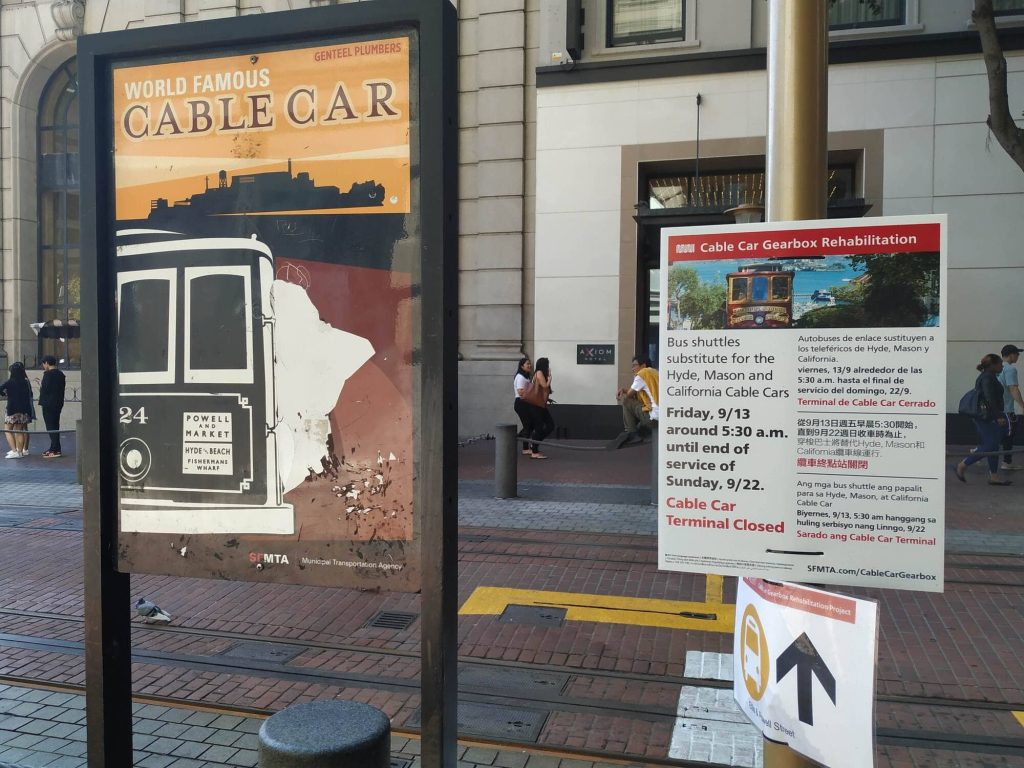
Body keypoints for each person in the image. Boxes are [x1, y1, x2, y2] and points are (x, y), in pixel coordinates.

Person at [955, 353, 1010, 485]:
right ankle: (963, 465)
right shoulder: (987, 378)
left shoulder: (988, 376)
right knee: (990, 445)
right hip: (988, 417)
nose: (1002, 366)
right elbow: (989, 397)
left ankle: (994, 476)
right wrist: (998, 416)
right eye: (1000, 364)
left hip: (990, 416)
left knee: (994, 445)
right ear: (992, 365)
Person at [613, 354, 660, 448]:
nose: (632, 369)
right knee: (638, 405)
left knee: (627, 401)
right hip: (664, 416)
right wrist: (624, 390)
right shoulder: (656, 372)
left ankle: (631, 433)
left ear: (643, 365)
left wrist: (623, 390)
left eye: (635, 365)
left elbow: (630, 394)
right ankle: (641, 429)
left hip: (653, 418)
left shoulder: (642, 374)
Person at [997, 344, 1023, 471]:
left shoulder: (997, 368)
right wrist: (1022, 406)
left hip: (996, 409)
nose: (1018, 356)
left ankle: (979, 451)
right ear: (1011, 354)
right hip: (1007, 410)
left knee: (998, 434)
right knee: (1009, 435)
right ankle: (1006, 462)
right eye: (1017, 353)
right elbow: (1013, 388)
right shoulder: (1010, 370)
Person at [0, 362, 34, 459]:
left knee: (7, 430)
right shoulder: (26, 382)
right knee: (19, 430)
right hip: (23, 409)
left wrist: (4, 394)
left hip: (12, 409)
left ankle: (14, 450)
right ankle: (20, 451)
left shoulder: (10, 382)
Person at [525, 357, 554, 459]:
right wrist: (550, 378)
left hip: (541, 405)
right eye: (547, 365)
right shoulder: (539, 373)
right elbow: (545, 386)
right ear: (543, 365)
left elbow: (542, 390)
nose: (548, 367)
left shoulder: (539, 373)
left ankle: (534, 445)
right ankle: (534, 451)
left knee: (550, 425)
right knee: (539, 427)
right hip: (537, 406)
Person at [39, 355, 66, 458]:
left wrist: (41, 385)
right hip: (58, 403)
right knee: (55, 425)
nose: (43, 366)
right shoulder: (60, 374)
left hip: (48, 404)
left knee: (50, 426)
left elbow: (45, 389)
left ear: (46, 363)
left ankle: (55, 449)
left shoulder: (48, 374)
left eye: (43, 364)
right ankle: (53, 447)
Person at [513, 356, 534, 455]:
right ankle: (525, 448)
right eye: (527, 364)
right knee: (528, 425)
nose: (529, 365)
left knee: (529, 424)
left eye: (530, 363)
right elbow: (521, 392)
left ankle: (516, 437)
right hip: (521, 403)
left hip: (525, 403)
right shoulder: (520, 377)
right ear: (522, 366)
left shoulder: (526, 376)